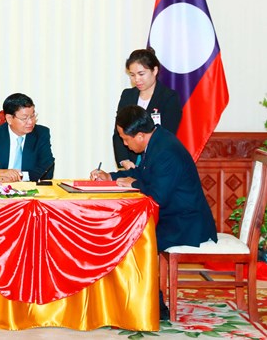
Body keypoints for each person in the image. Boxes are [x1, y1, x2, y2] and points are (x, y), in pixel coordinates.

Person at [91, 105, 217, 320]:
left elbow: (157, 195)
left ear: (140, 135)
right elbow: (142, 173)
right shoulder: (157, 140)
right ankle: (129, 299)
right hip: (173, 215)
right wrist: (110, 176)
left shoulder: (165, 150)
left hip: (185, 222)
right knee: (125, 233)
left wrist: (133, 185)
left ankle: (153, 307)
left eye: (125, 138)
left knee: (135, 238)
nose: (124, 143)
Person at [113, 48, 181, 170]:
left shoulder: (168, 97)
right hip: (131, 164)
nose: (136, 80)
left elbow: (167, 136)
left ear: (155, 70)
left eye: (141, 74)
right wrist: (124, 160)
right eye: (132, 75)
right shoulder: (127, 95)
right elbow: (119, 132)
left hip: (158, 163)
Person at [0, 93, 55, 183]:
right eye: (24, 118)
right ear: (9, 118)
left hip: (30, 190)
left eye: (32, 116)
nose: (30, 122)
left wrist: (19, 176)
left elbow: (47, 168)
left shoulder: (41, 133)